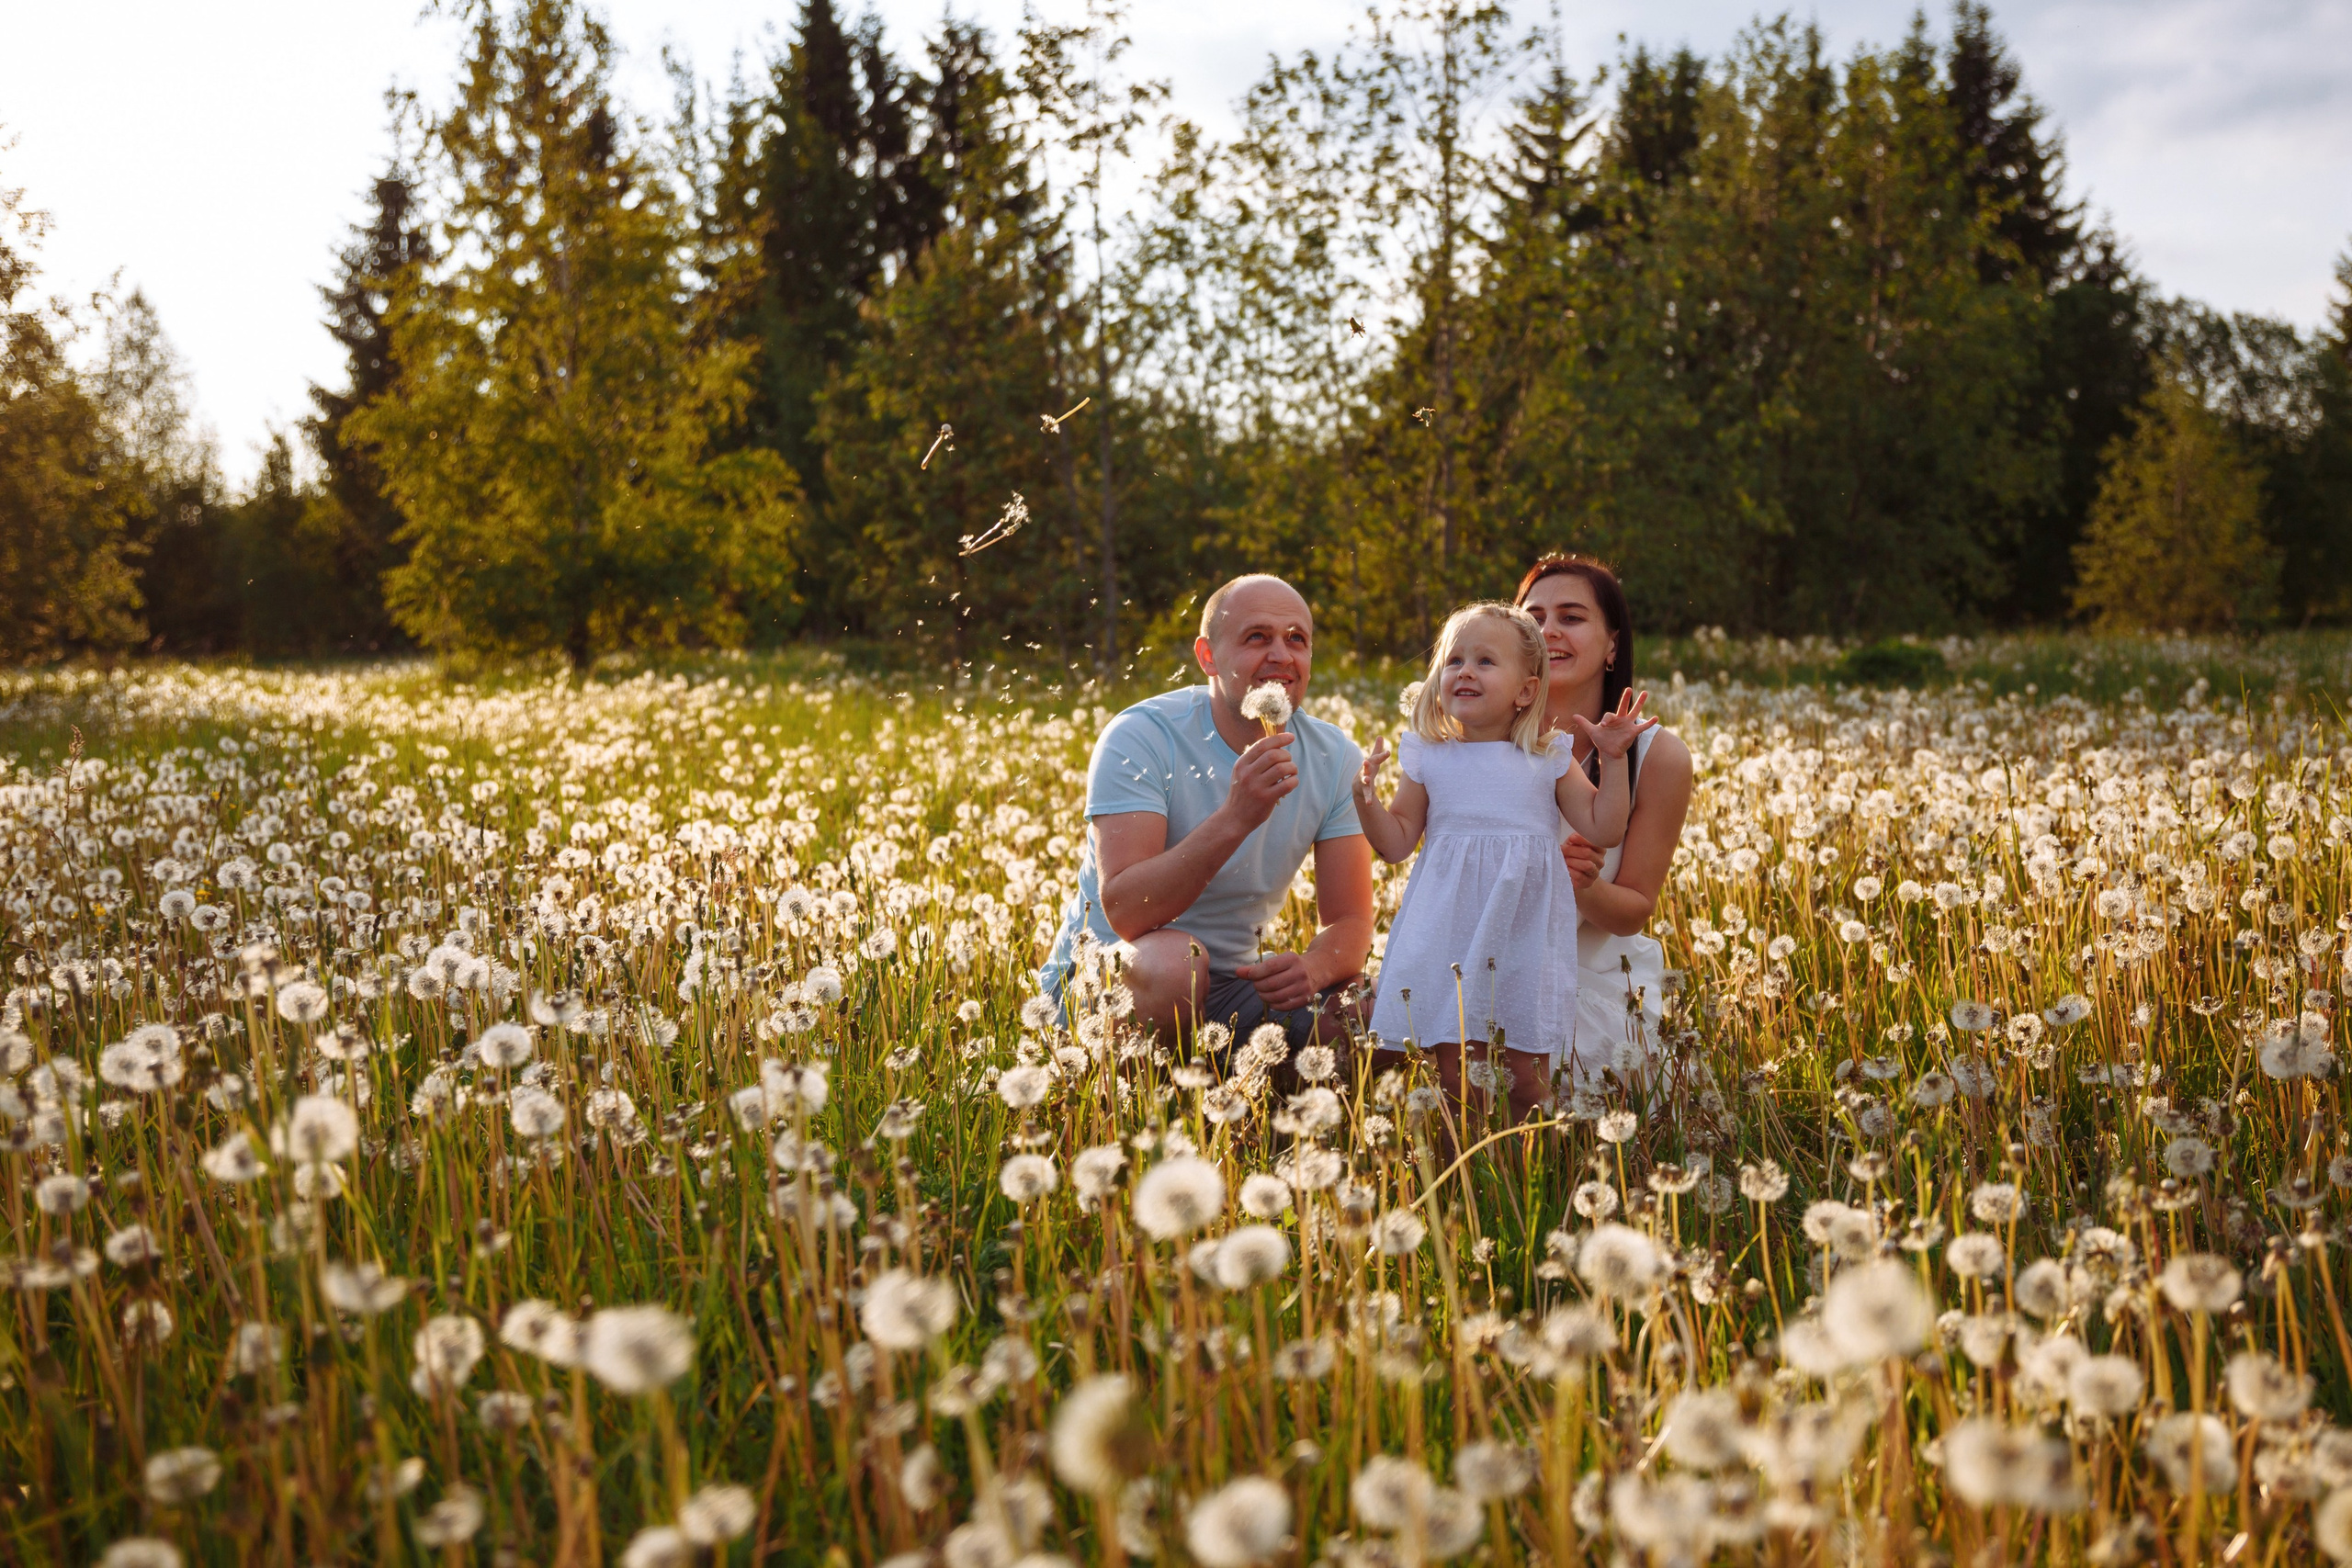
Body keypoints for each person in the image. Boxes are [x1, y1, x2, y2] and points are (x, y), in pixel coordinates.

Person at [1041, 575, 1374, 1054]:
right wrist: (1236, 817)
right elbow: (1128, 912)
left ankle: (1248, 1086)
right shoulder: (1141, 736)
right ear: (1208, 657)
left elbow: (1351, 920)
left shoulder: (1335, 757)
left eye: (1296, 639)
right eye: (1257, 637)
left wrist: (1313, 969)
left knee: (1371, 1009)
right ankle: (1134, 1093)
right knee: (1177, 962)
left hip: (1235, 985)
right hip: (1111, 983)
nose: (1281, 655)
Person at [1351, 602, 1654, 1124]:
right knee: (1455, 1074)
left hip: (1523, 932)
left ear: (1526, 691)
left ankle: (1529, 1167)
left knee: (1527, 1076)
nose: (1465, 671)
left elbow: (1605, 827)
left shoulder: (1548, 756)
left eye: (1485, 661)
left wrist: (1615, 758)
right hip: (1447, 929)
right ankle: (1468, 1169)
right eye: (1454, 660)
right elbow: (1397, 842)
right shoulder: (1429, 755)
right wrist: (1366, 801)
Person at [1516, 555, 1694, 1085]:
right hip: (1484, 968)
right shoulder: (1480, 739)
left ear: (1612, 645)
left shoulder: (1658, 758)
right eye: (1533, 618)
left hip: (1591, 983)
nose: (1549, 630)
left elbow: (1635, 907)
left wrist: (1585, 885)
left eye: (1571, 617)